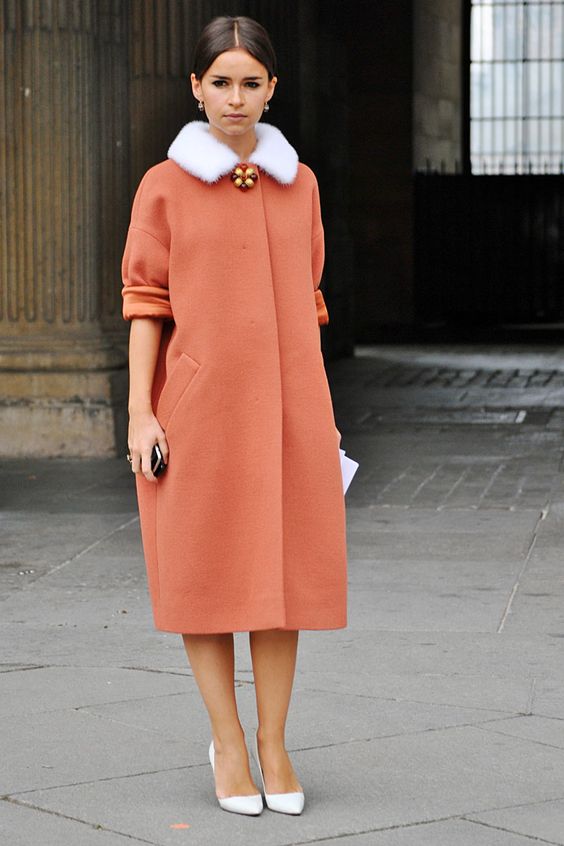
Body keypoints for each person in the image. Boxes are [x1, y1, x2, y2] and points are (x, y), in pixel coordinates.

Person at [121, 14, 348, 817]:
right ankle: (226, 742)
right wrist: (141, 412)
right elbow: (145, 304)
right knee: (207, 575)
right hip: (200, 414)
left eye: (251, 83)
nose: (235, 98)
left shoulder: (301, 184)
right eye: (220, 82)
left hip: (292, 411)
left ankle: (274, 743)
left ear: (273, 89)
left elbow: (308, 301)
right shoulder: (163, 185)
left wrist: (322, 417)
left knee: (283, 578)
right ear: (195, 87)